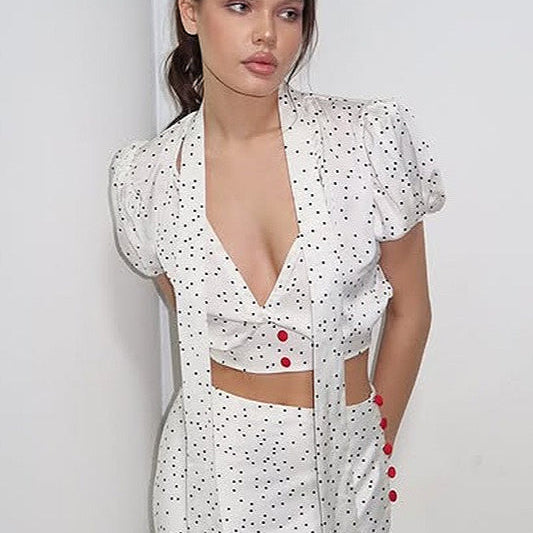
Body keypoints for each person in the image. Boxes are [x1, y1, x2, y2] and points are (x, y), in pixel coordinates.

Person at [108, 0, 447, 531]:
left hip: (348, 457)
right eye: (240, 6)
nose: (266, 33)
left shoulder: (365, 139)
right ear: (190, 13)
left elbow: (412, 310)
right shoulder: (146, 178)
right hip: (206, 474)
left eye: (288, 12)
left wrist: (375, 445)